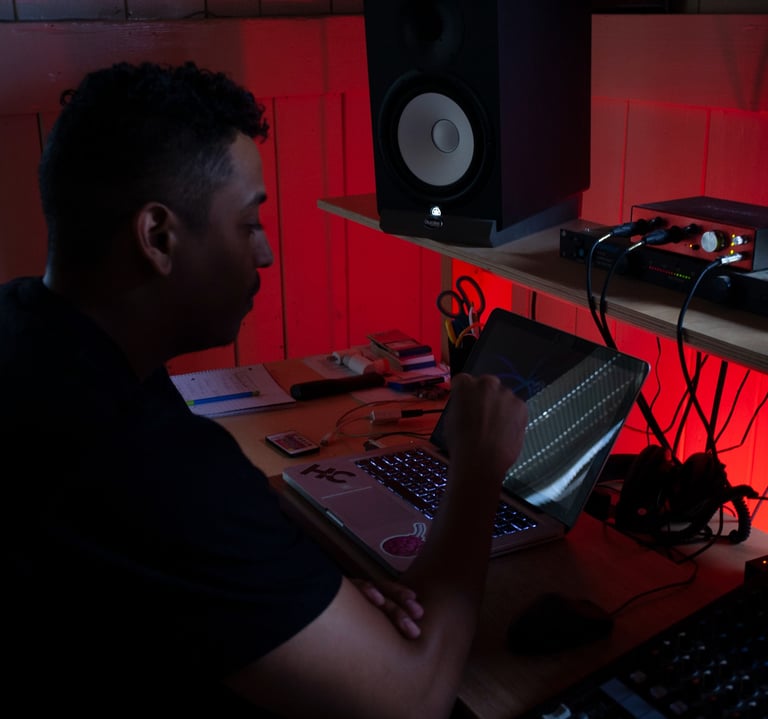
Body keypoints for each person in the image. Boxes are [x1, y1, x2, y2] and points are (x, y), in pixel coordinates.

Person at [0, 61, 528, 718]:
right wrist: (478, 469)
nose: (266, 253)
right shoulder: (145, 461)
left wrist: (301, 596)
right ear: (158, 236)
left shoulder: (32, 330)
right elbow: (414, 699)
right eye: (249, 223)